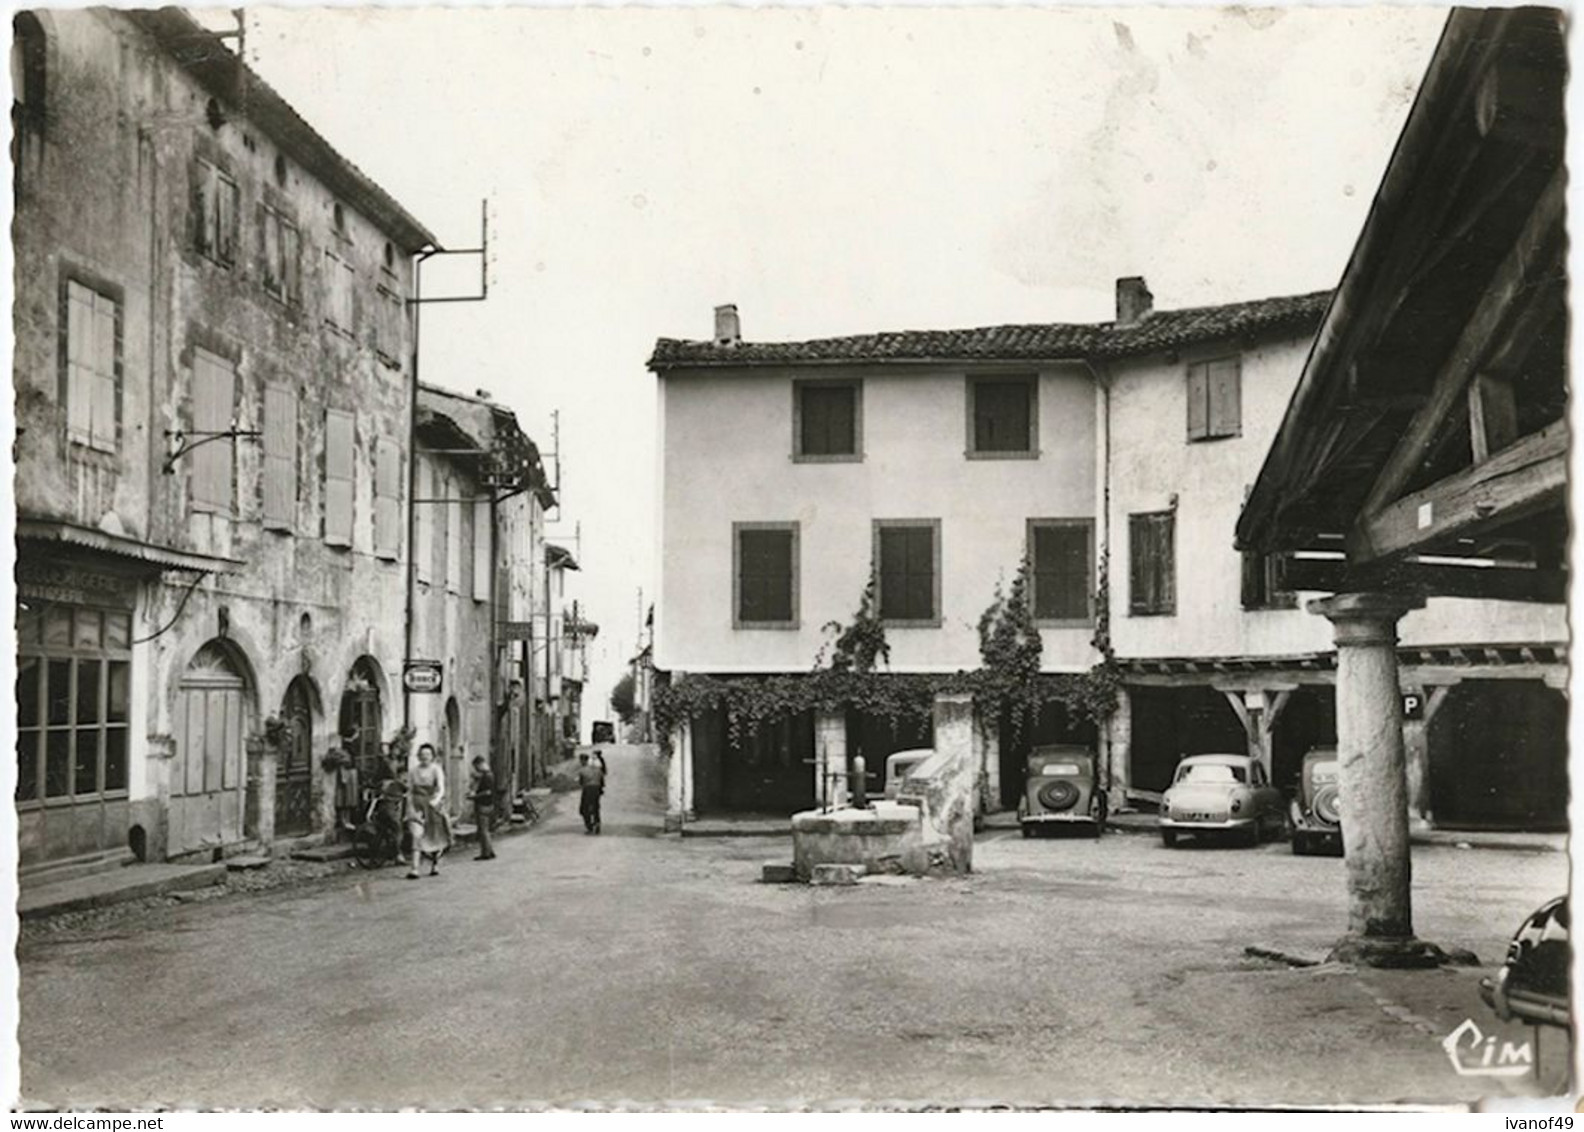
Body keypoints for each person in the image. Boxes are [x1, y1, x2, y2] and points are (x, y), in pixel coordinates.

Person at [406, 743, 453, 878]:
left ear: (432, 756)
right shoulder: (413, 771)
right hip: (417, 805)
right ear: (418, 756)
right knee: (417, 834)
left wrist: (435, 801)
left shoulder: (436, 769)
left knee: (434, 835)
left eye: (428, 754)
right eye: (422, 754)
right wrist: (410, 806)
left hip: (432, 805)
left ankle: (435, 864)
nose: (424, 757)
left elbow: (441, 788)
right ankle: (414, 868)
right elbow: (409, 790)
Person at [469, 755, 498, 861]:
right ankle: (490, 851)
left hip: (483, 805)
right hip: (489, 804)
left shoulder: (487, 776)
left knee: (483, 831)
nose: (476, 769)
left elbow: (487, 792)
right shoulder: (489, 775)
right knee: (485, 830)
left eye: (476, 767)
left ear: (479, 764)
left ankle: (485, 853)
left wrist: (474, 796)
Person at [577, 751, 605, 835]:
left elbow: (581, 783)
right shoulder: (598, 770)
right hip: (596, 789)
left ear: (582, 761)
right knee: (596, 807)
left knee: (584, 809)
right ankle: (597, 823)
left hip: (587, 789)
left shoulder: (582, 771)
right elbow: (602, 782)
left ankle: (589, 826)